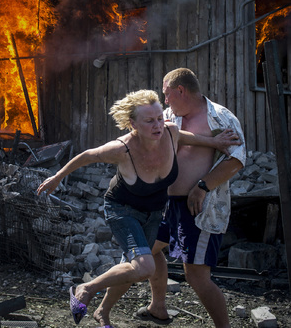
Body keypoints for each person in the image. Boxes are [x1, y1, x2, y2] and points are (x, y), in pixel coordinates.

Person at [37, 89, 238, 328]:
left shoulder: (170, 132)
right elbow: (86, 156)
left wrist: (214, 142)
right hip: (123, 210)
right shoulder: (121, 149)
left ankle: (131, 309)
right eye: (149, 121)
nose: (158, 125)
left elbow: (187, 137)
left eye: (159, 119)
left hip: (154, 212)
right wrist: (57, 178)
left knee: (139, 262)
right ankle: (85, 289)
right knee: (143, 266)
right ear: (133, 123)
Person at [137, 68, 246, 328]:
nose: (165, 101)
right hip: (165, 204)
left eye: (167, 95)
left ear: (180, 91)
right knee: (147, 250)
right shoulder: (167, 116)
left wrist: (202, 187)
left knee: (196, 276)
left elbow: (237, 159)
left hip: (199, 207)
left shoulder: (219, 117)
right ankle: (158, 307)